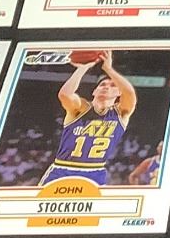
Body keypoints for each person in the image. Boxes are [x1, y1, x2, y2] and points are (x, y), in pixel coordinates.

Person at [41, 52, 138, 185]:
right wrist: (82, 68)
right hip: (62, 169)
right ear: (94, 91)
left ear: (119, 93)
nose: (106, 87)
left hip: (94, 172)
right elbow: (64, 94)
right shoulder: (81, 108)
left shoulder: (120, 113)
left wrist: (109, 69)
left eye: (112, 86)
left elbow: (130, 93)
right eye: (102, 84)